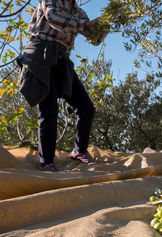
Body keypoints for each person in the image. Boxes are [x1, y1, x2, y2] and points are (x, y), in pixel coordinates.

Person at [18, 0, 102, 172]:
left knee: (86, 108)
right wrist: (85, 25)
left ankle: (79, 151)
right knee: (49, 110)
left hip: (61, 58)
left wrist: (108, 22)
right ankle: (46, 162)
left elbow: (95, 39)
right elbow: (53, 18)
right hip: (41, 53)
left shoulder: (78, 13)